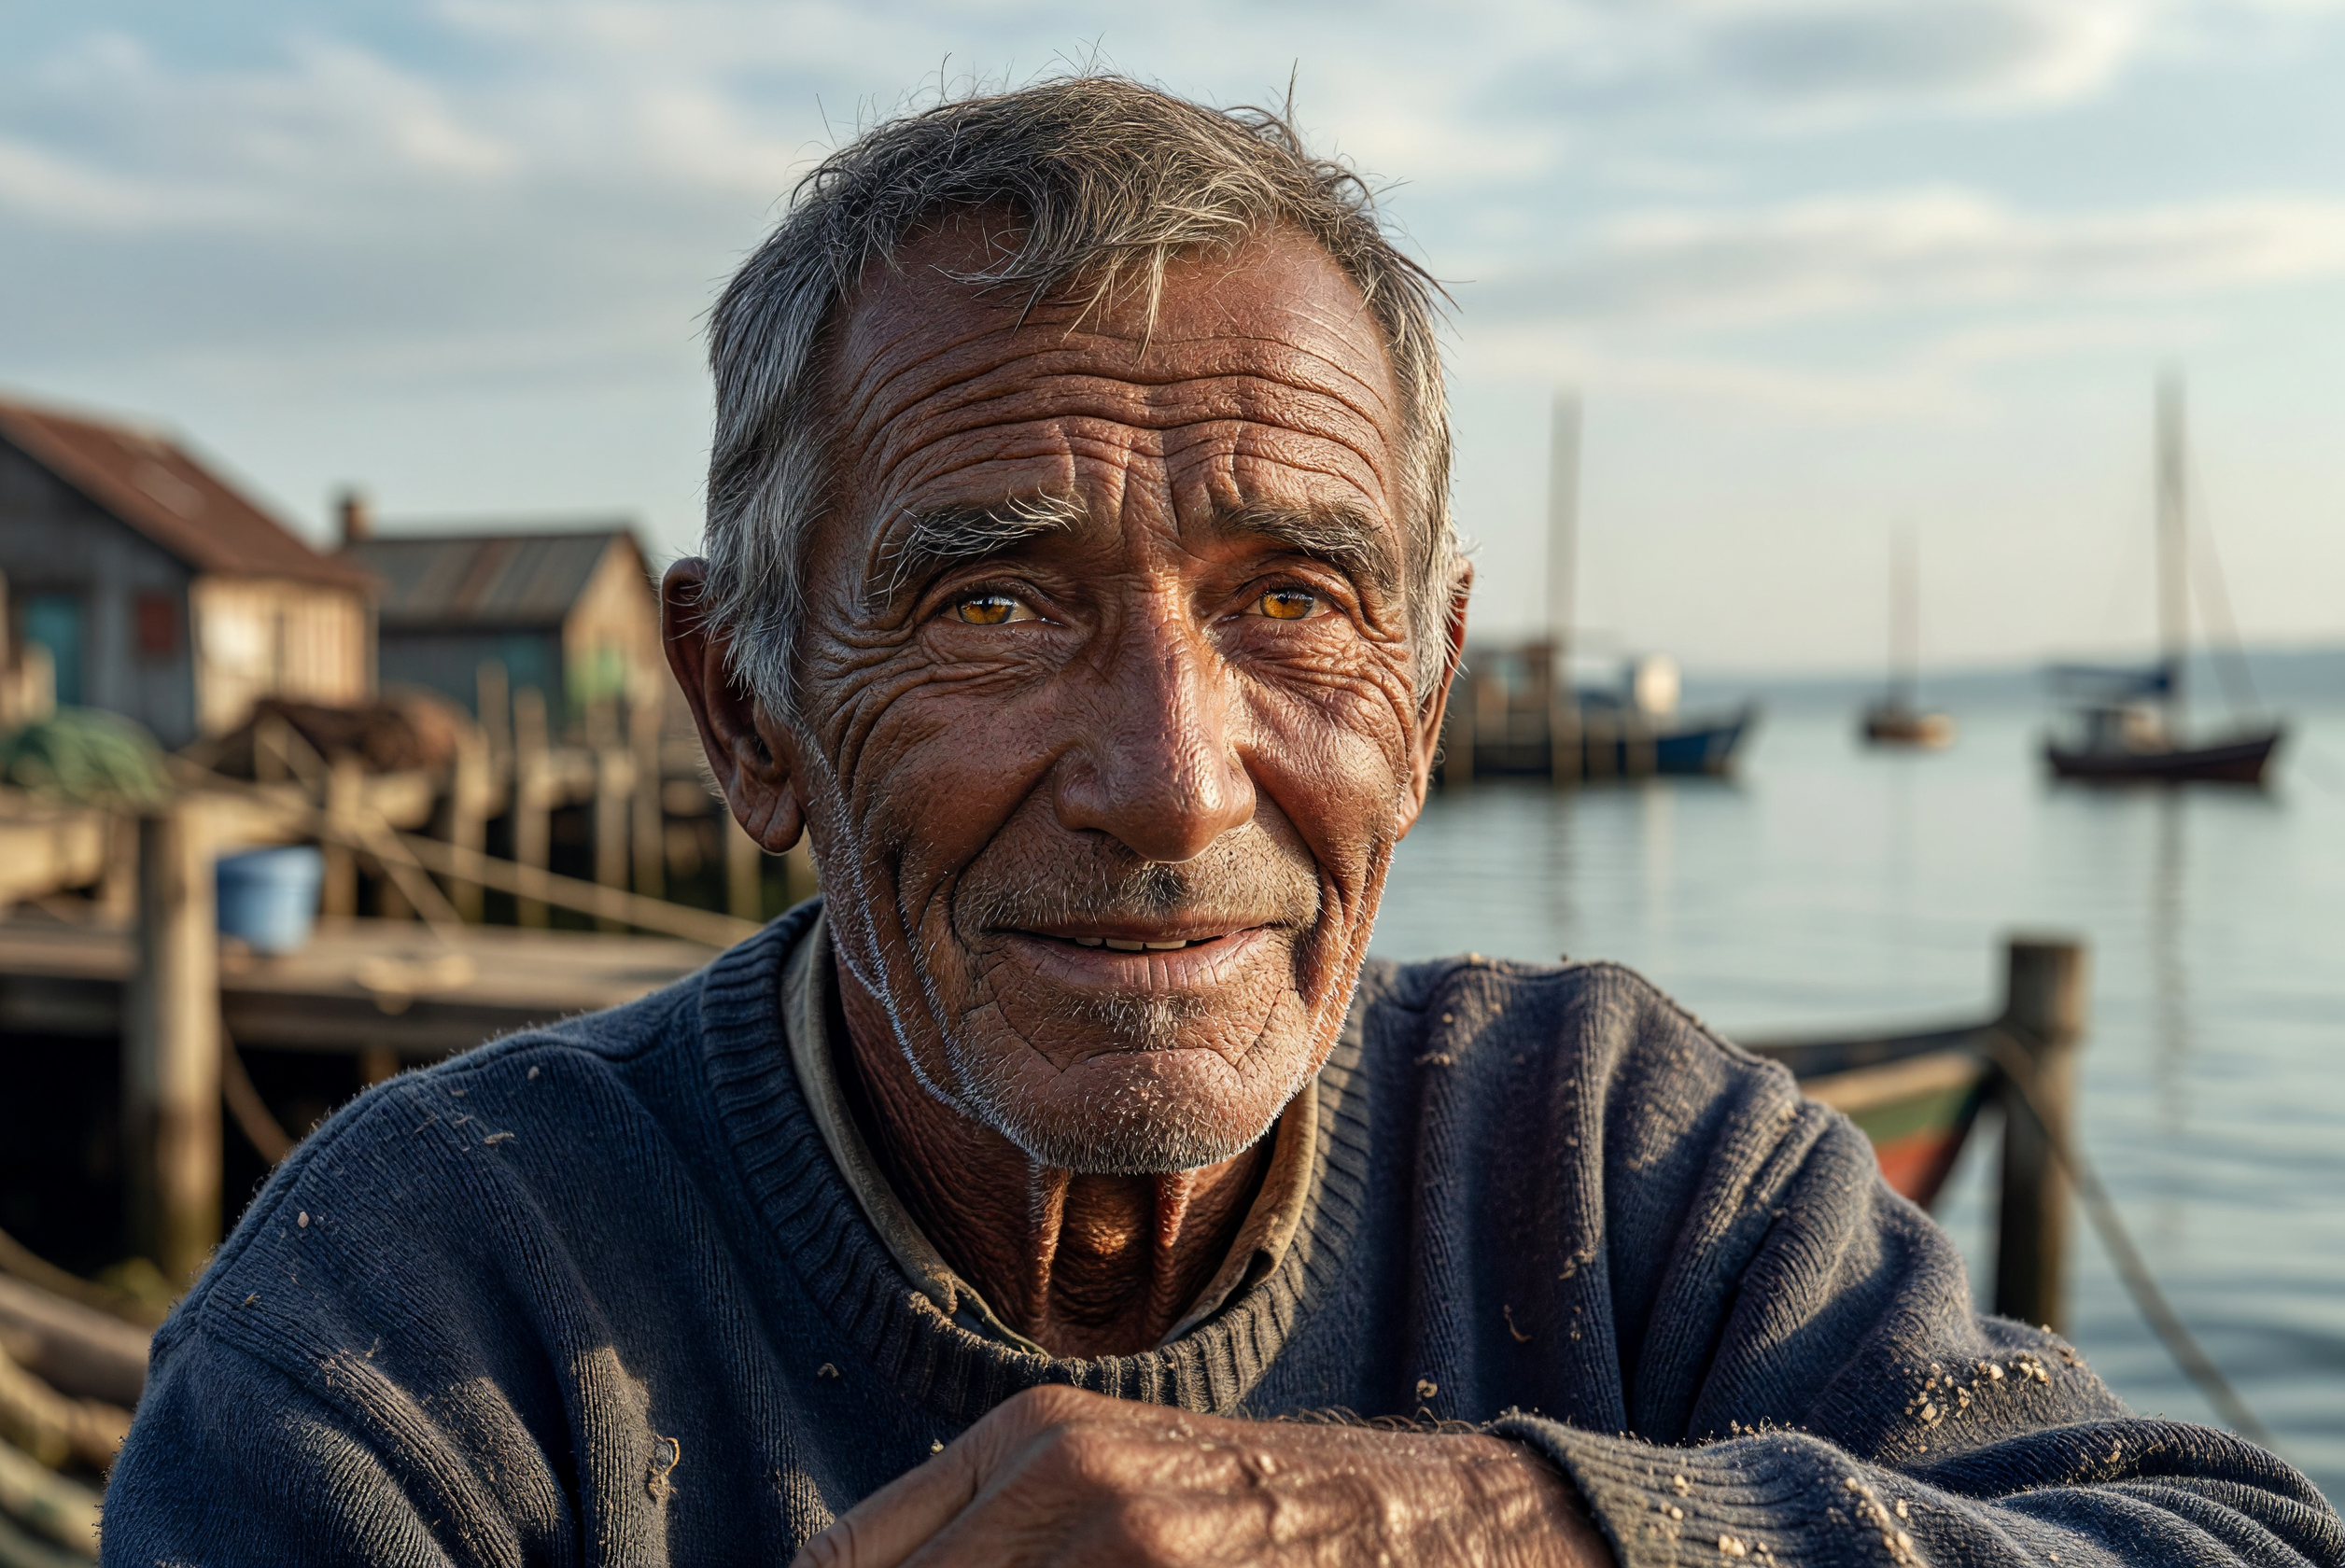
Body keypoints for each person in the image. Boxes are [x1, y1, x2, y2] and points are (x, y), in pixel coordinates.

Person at [104, 77, 2338, 1567]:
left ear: (1430, 696)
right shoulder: (419, 1313)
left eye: (1294, 601)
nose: (1171, 775)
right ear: (742, 707)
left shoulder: (1616, 1156)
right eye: (988, 604)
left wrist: (1471, 1528)